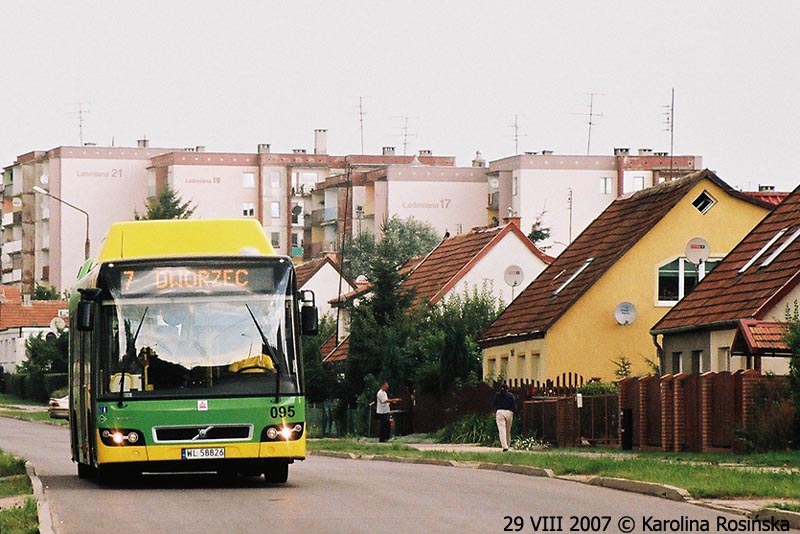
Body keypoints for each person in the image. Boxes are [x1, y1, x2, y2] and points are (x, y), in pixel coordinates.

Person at [493, 383, 517, 452]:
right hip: (509, 412)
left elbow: (494, 404)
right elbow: (514, 405)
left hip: (500, 412)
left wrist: (495, 411)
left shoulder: (497, 395)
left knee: (501, 429)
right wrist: (515, 413)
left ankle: (504, 446)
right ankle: (508, 444)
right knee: (508, 430)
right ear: (507, 389)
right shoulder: (510, 396)